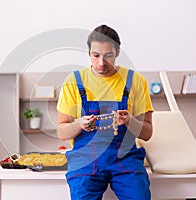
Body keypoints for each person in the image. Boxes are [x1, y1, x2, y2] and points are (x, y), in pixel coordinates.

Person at [56, 24, 154, 200]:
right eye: (96, 55)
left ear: (117, 52)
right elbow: (62, 132)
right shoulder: (74, 81)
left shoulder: (135, 81)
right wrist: (79, 124)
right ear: (89, 53)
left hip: (125, 158)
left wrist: (130, 120)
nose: (101, 62)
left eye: (108, 55)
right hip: (85, 159)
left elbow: (147, 133)